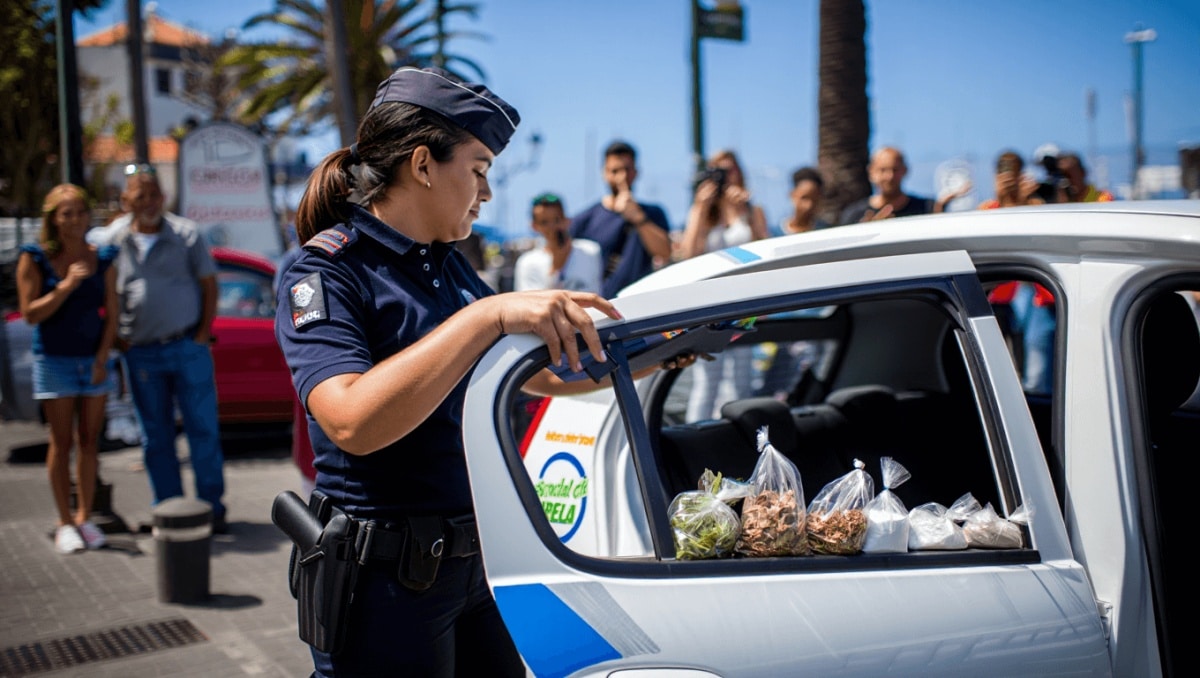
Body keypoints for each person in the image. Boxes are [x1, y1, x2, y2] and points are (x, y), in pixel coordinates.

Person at [274, 66, 624, 677]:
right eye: (479, 169)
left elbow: (543, 372)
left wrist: (664, 347)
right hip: (385, 583)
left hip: (472, 565)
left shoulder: (445, 265)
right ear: (423, 165)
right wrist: (487, 316)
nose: (486, 192)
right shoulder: (325, 271)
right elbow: (351, 421)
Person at [97, 165, 228, 532]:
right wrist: (119, 339)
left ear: (163, 197)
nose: (149, 202)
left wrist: (202, 333)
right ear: (126, 200)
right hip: (141, 352)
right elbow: (105, 293)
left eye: (154, 194)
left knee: (203, 431)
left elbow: (209, 285)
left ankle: (212, 509)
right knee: (155, 437)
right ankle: (170, 510)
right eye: (140, 196)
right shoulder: (114, 241)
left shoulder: (186, 234)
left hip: (187, 346)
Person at [16, 184, 117, 553]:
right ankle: (64, 522)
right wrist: (66, 285)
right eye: (67, 213)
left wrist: (102, 360)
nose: (75, 220)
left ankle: (85, 517)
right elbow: (30, 313)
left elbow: (112, 314)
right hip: (54, 360)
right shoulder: (35, 257)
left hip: (93, 362)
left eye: (81, 212)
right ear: (54, 219)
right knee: (61, 442)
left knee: (89, 441)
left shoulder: (101, 257)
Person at [679, 149, 768, 420]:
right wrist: (700, 207)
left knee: (742, 380)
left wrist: (745, 212)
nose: (726, 177)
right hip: (709, 306)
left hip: (744, 304)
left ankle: (741, 433)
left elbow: (766, 252)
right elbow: (687, 255)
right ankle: (696, 433)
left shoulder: (752, 209)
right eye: (719, 172)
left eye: (730, 171)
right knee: (707, 382)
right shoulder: (704, 212)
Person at [569, 140, 672, 297]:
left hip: (641, 300)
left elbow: (664, 252)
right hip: (601, 302)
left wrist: (639, 219)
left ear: (636, 172)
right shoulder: (584, 219)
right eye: (615, 171)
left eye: (627, 170)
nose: (622, 178)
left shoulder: (653, 213)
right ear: (604, 173)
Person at [838, 146, 962, 225]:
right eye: (882, 170)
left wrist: (939, 214)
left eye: (895, 170)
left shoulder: (926, 209)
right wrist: (867, 231)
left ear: (905, 170)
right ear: (871, 172)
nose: (889, 176)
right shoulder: (854, 215)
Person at [514, 192, 602, 293]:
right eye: (544, 222)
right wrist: (555, 270)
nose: (552, 227)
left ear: (567, 220)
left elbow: (595, 290)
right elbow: (531, 301)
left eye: (557, 220)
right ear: (534, 226)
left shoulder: (590, 251)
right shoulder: (528, 263)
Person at [775, 166, 831, 236]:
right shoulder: (772, 234)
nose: (809, 205)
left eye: (815, 200)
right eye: (804, 198)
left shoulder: (826, 232)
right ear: (792, 195)